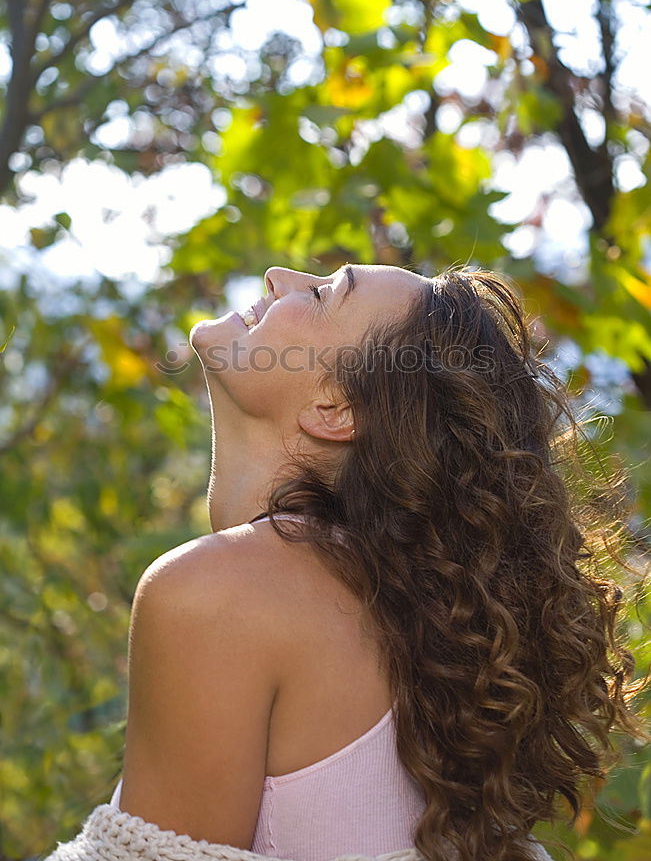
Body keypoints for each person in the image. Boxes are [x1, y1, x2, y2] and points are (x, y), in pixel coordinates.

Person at [107, 263, 649, 861]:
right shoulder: (417, 623)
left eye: (320, 295)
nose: (275, 276)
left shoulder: (215, 594)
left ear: (336, 409)